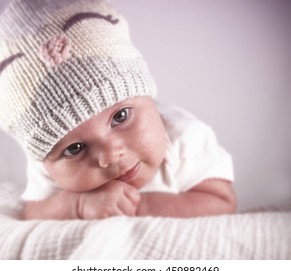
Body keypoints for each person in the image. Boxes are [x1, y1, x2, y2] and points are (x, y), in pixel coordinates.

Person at [0, 0, 236, 220]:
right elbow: (33, 211)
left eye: (120, 117)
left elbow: (222, 201)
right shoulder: (47, 169)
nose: (111, 155)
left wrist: (139, 207)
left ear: (148, 98)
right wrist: (78, 205)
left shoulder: (185, 137)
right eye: (75, 148)